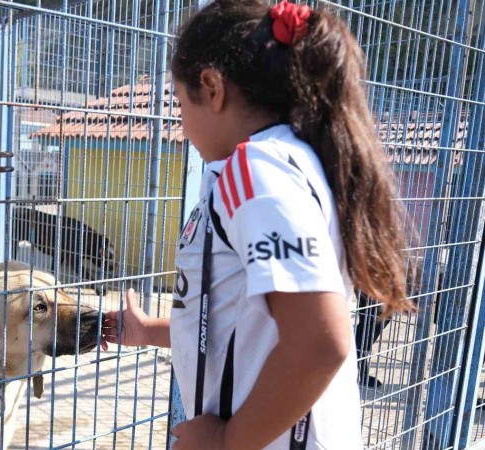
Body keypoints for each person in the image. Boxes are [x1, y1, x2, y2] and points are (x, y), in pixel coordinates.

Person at [100, 1, 414, 448]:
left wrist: (227, 441)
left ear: (211, 87)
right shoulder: (276, 165)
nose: (182, 126)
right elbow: (252, 321)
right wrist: (149, 331)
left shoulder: (258, 170)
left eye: (179, 101)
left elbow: (319, 342)